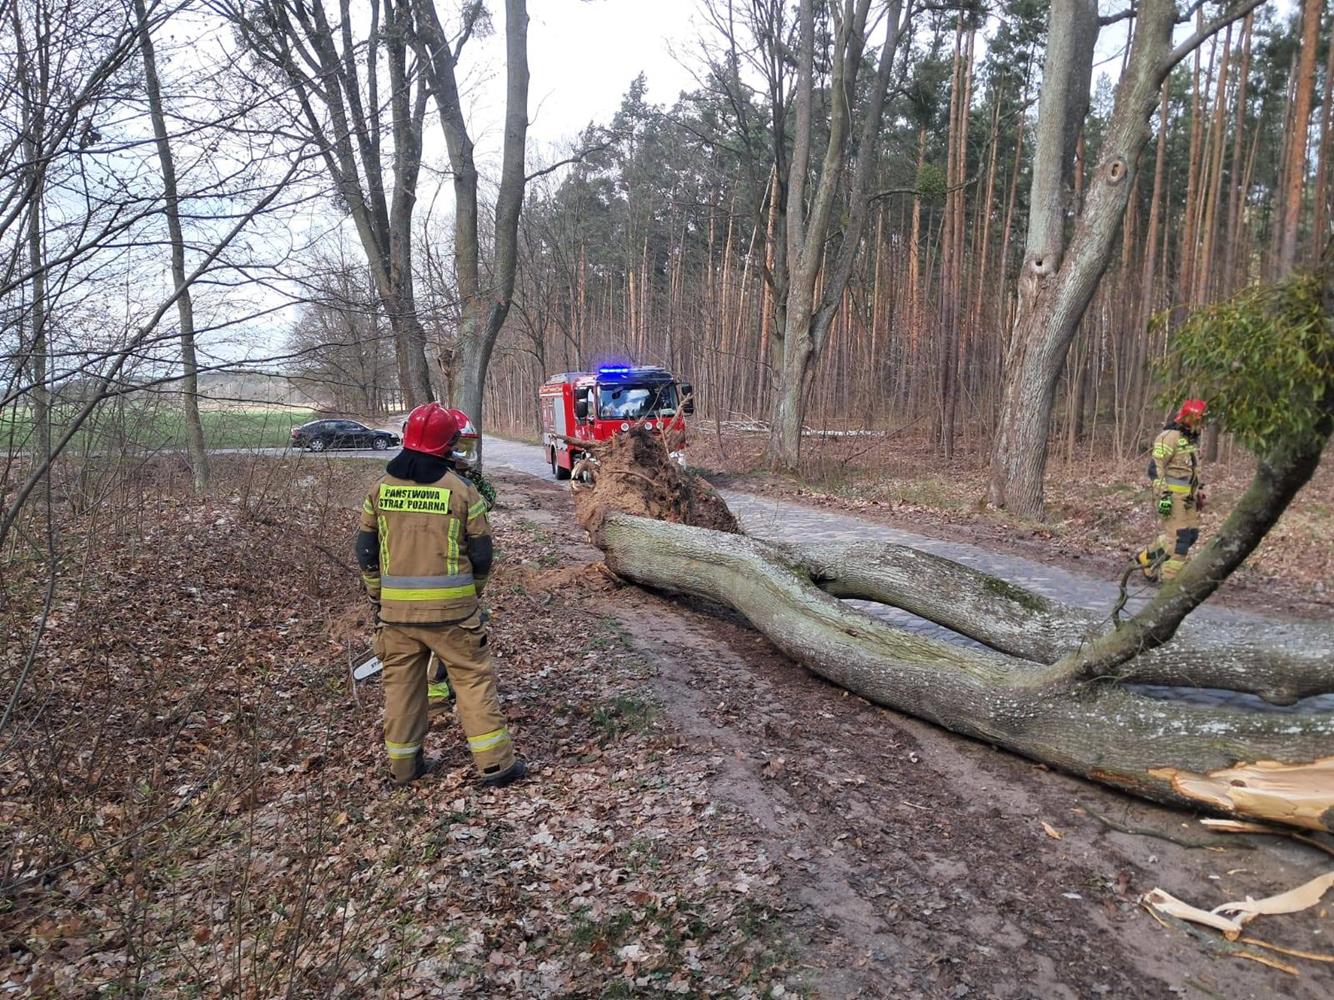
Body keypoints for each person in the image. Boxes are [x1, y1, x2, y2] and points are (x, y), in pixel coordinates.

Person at [355, 402, 525, 787]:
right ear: (446, 446)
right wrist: (473, 596)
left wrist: (378, 598)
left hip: (396, 617)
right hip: (454, 616)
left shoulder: (379, 490)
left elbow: (366, 551)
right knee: (473, 682)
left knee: (401, 689)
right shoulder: (462, 492)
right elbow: (482, 555)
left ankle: (403, 768)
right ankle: (496, 766)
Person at [1136, 398, 1207, 583]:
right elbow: (1155, 468)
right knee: (1179, 539)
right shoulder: (1169, 437)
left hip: (1188, 499)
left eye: (1200, 420)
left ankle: (1147, 557)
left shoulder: (1190, 441)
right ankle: (1170, 581)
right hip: (1170, 497)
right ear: (1185, 418)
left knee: (1191, 535)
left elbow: (1191, 470)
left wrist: (1199, 490)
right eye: (1194, 419)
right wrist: (1164, 496)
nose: (1198, 424)